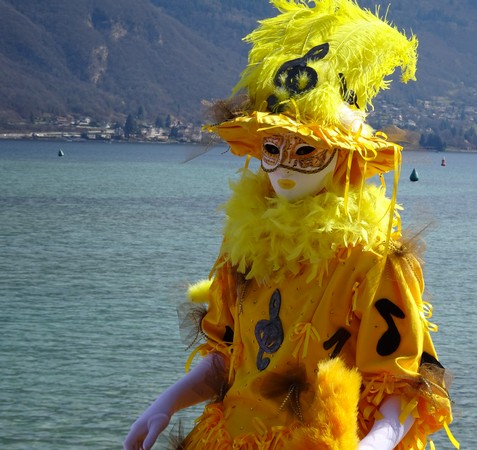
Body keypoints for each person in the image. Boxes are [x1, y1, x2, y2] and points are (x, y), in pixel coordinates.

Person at [124, 1, 457, 449]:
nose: (284, 165)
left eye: (305, 150)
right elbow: (230, 358)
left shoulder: (373, 259)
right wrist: (166, 402)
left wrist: (374, 443)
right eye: (272, 148)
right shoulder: (244, 243)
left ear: (343, 154)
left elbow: (398, 382)